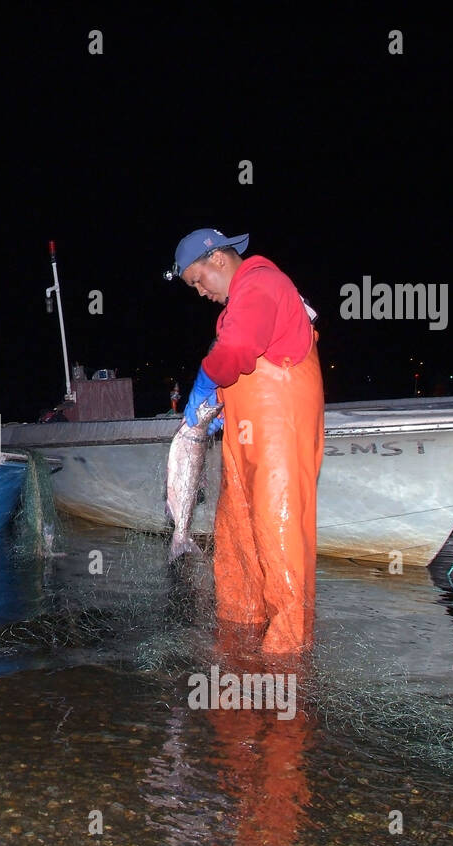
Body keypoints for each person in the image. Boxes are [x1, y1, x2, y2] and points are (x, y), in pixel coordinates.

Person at [165, 228, 324, 655]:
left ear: (217, 259)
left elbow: (234, 351)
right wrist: (215, 403)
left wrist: (206, 380)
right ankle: (239, 637)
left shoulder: (261, 282)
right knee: (236, 540)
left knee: (279, 533)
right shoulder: (238, 305)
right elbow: (239, 360)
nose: (199, 292)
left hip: (280, 438)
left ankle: (288, 658)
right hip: (244, 443)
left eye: (197, 280)